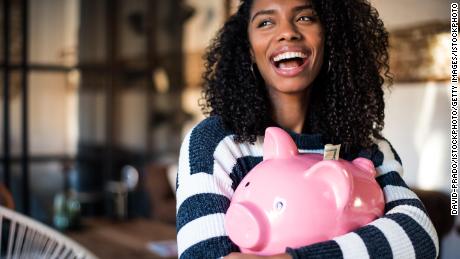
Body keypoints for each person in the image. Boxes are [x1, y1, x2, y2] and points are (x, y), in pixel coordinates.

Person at [176, 0, 439, 258]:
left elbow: (420, 236)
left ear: (329, 38)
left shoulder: (368, 147)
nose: (287, 32)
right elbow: (201, 253)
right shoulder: (216, 143)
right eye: (266, 22)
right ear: (248, 50)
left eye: (305, 18)